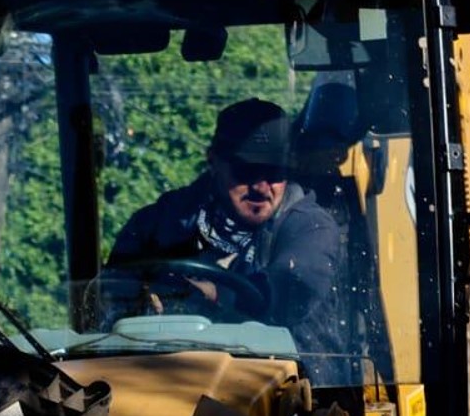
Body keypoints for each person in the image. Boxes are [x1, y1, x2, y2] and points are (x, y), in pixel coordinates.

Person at [105, 97, 345, 353]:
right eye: (247, 171)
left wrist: (215, 294)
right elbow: (109, 293)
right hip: (175, 372)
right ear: (213, 161)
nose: (261, 187)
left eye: (275, 172)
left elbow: (288, 294)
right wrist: (143, 295)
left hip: (293, 381)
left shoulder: (311, 229)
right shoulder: (164, 221)